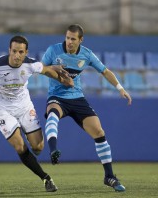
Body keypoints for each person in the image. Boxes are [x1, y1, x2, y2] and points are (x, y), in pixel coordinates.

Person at [41, 24, 132, 192]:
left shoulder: (87, 54)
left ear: (80, 40)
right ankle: (53, 150)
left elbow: (105, 71)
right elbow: (40, 69)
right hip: (57, 96)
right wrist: (53, 69)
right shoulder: (53, 51)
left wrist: (120, 88)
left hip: (77, 98)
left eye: (73, 39)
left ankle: (109, 176)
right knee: (52, 113)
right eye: (67, 38)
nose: (69, 41)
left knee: (99, 132)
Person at [0, 35, 73, 192]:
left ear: (26, 52)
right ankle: (46, 178)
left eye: (21, 52)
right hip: (3, 110)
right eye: (14, 51)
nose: (17, 55)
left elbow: (47, 71)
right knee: (19, 146)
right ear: (9, 50)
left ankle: (29, 138)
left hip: (24, 107)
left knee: (38, 147)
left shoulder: (30, 64)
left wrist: (63, 80)